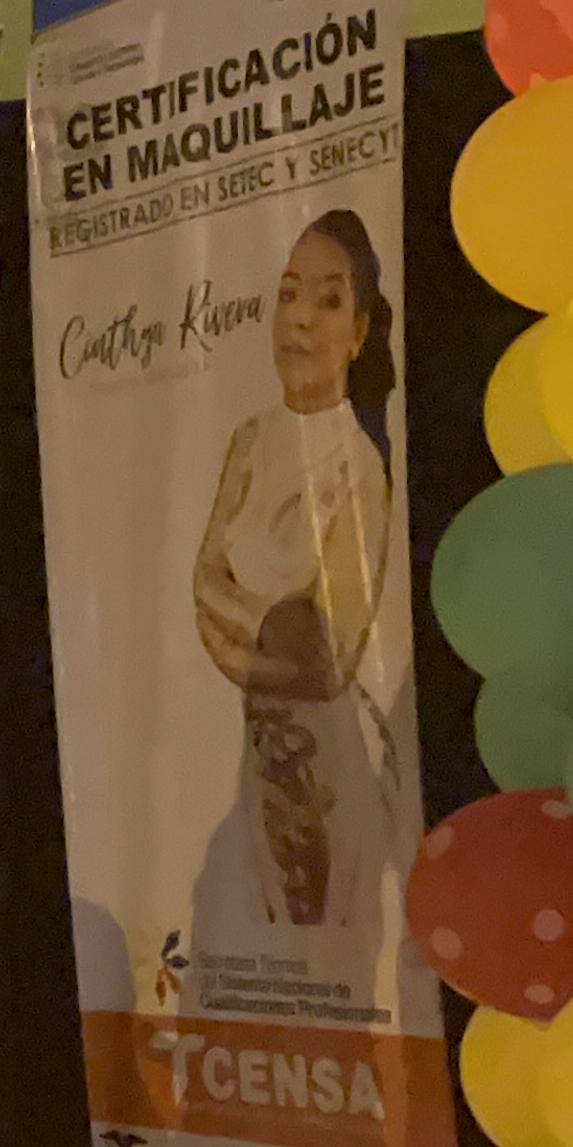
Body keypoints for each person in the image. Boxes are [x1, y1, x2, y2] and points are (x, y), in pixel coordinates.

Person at [191, 210, 406, 938]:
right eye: (287, 295)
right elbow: (203, 589)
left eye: (328, 300)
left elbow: (329, 658)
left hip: (326, 777)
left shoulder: (359, 466)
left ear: (360, 331)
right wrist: (275, 633)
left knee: (320, 941)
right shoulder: (250, 440)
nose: (301, 320)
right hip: (253, 763)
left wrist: (254, 634)